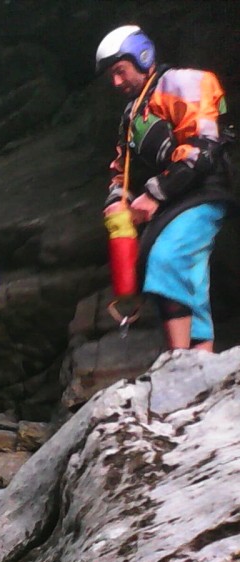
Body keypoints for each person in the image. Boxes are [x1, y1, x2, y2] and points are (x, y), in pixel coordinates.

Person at [97, 25, 236, 351]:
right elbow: (123, 170)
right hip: (173, 201)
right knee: (186, 276)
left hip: (203, 192)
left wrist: (155, 194)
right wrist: (118, 200)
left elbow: (203, 147)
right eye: (111, 76)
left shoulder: (185, 82)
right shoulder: (132, 114)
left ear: (142, 57)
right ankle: (200, 359)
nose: (116, 82)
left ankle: (178, 358)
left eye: (120, 71)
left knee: (167, 258)